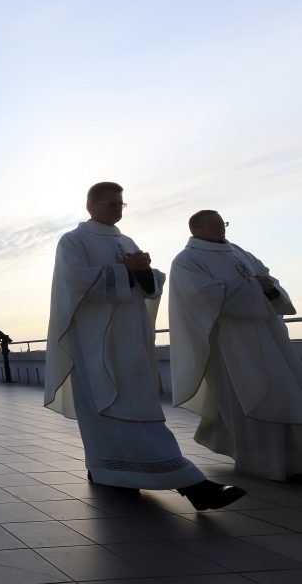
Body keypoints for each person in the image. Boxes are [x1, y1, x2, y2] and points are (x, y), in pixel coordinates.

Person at [45, 183, 246, 510]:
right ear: (90, 205)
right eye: (110, 204)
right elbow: (77, 284)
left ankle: (110, 471)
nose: (116, 209)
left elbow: (144, 285)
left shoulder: (125, 241)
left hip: (130, 343)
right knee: (111, 409)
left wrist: (146, 273)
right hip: (96, 346)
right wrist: (128, 270)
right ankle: (194, 487)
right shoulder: (73, 241)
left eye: (120, 204)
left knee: (137, 408)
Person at [169, 210, 302, 482]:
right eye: (216, 225)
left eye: (223, 224)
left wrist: (269, 288)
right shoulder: (187, 261)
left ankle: (292, 460)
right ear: (197, 228)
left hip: (268, 336)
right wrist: (255, 291)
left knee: (286, 392)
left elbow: (267, 278)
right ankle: (260, 463)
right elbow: (200, 296)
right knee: (248, 397)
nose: (222, 230)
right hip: (228, 343)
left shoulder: (239, 251)